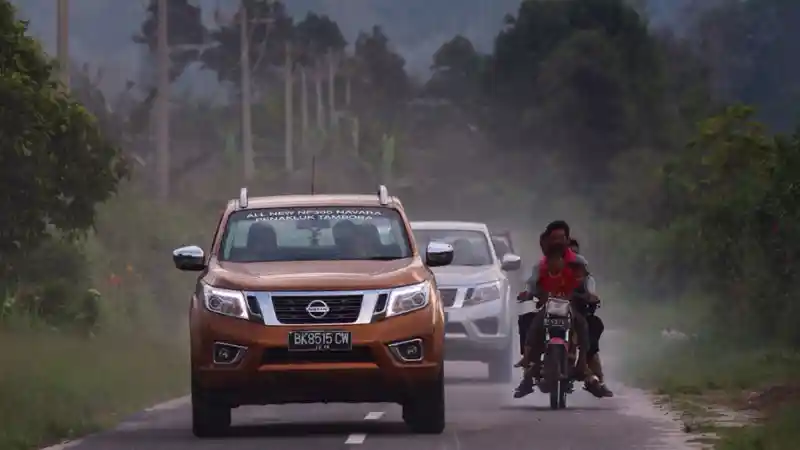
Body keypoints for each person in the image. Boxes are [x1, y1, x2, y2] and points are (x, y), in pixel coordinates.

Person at [568, 238, 613, 397]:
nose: (572, 257)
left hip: (579, 315)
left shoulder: (586, 278)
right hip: (555, 314)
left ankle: (597, 379)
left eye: (575, 254)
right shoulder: (552, 270)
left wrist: (590, 297)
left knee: (591, 339)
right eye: (568, 253)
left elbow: (592, 294)